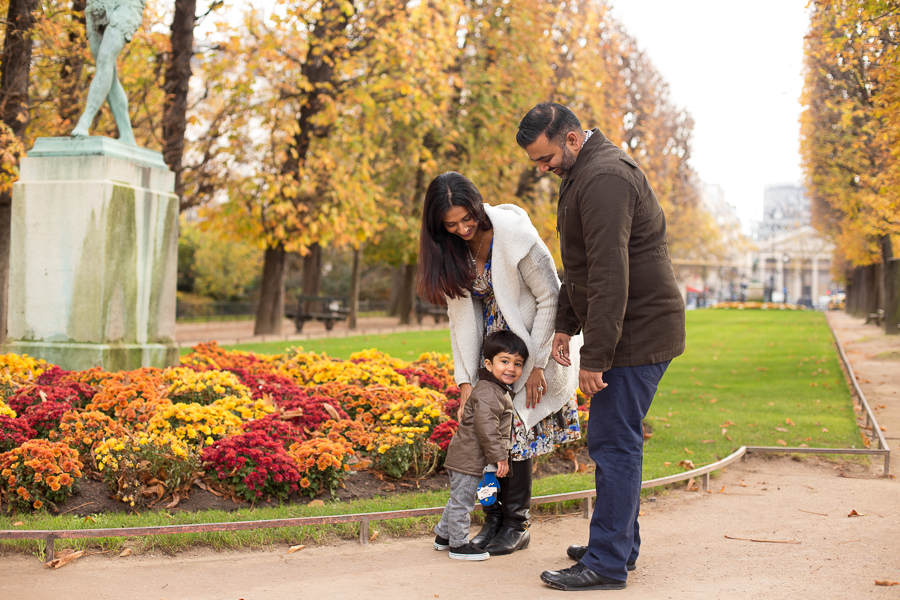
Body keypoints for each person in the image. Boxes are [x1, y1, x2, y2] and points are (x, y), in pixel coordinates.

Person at [516, 102, 685, 591]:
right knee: (615, 441)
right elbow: (582, 266)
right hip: (632, 328)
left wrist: (596, 359)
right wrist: (566, 325)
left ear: (571, 139)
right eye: (535, 163)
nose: (542, 169)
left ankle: (607, 562)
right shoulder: (583, 172)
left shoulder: (605, 177)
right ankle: (618, 545)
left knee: (613, 444)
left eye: (545, 158)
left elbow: (611, 274)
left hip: (639, 333)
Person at [418, 171, 582, 556]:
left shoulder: (513, 234)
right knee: (486, 436)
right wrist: (465, 384)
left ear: (476, 205)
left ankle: (516, 523)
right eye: (451, 224)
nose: (461, 229)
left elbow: (550, 298)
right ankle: (492, 521)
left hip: (530, 345)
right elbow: (460, 321)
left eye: (466, 219)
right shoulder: (451, 248)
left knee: (517, 435)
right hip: (492, 356)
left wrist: (538, 365)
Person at [432, 330, 526, 561]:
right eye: (504, 361)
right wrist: (500, 457)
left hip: (468, 456)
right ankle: (459, 545)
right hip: (468, 459)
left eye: (518, 363)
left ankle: (443, 536)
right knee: (462, 503)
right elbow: (487, 427)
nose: (511, 368)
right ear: (488, 363)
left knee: (458, 499)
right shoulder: (489, 391)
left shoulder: (495, 389)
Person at [71, 0, 147, 145]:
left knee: (105, 59)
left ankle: (85, 120)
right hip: (95, 6)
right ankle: (127, 135)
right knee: (106, 72)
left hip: (125, 5)